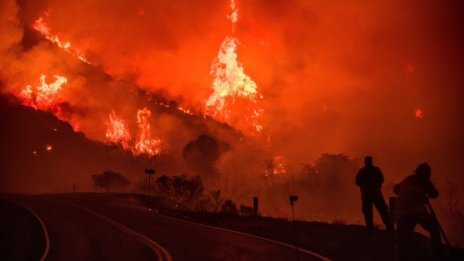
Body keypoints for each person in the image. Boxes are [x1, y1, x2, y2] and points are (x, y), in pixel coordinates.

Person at [394, 162, 441, 259]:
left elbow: (395, 189)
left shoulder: (407, 179)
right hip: (417, 211)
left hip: (401, 213)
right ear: (427, 174)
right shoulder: (424, 181)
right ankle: (437, 255)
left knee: (402, 240)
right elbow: (435, 194)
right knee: (434, 229)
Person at [356, 156, 392, 234]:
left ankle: (370, 230)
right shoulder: (376, 170)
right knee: (383, 211)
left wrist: (365, 185)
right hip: (377, 194)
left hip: (366, 195)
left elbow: (357, 182)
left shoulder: (361, 171)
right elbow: (382, 179)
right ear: (371, 161)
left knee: (368, 212)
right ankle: (389, 227)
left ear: (365, 162)